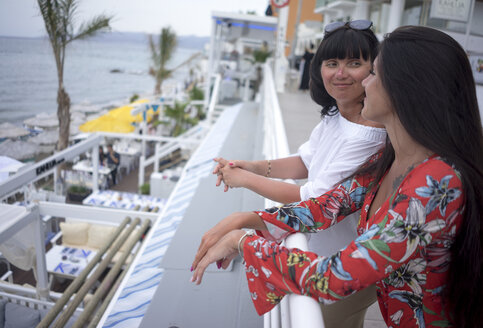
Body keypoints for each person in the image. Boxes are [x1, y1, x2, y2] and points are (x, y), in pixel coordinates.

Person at [192, 26, 483, 328]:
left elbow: (333, 278)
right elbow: (323, 208)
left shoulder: (435, 184)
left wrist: (243, 243)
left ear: (405, 89)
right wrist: (242, 220)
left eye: (375, 74)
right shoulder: (390, 157)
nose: (365, 83)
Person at [213, 20, 385, 327]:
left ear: (374, 71)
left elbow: (313, 200)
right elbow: (305, 161)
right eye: (332, 63)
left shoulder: (368, 137)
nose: (341, 73)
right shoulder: (336, 114)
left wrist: (244, 181)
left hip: (343, 266)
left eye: (354, 63)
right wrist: (250, 166)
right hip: (320, 256)